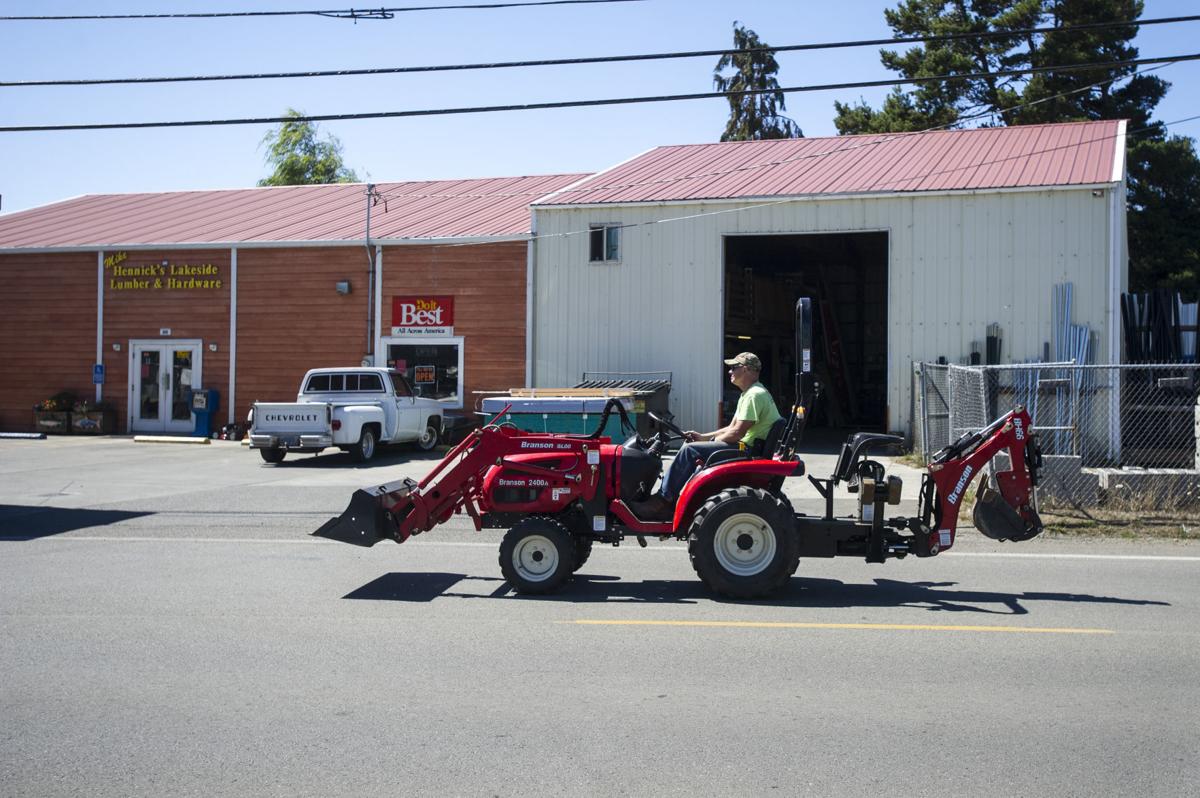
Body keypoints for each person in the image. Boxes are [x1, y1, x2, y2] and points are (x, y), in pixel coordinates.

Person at [632, 352, 781, 520]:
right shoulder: (749, 394)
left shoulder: (754, 395)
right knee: (692, 447)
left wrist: (711, 441)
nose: (729, 372)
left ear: (746, 370)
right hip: (746, 446)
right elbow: (730, 428)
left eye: (733, 368)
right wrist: (702, 437)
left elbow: (737, 433)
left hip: (745, 449)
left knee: (690, 451)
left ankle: (662, 501)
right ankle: (667, 497)